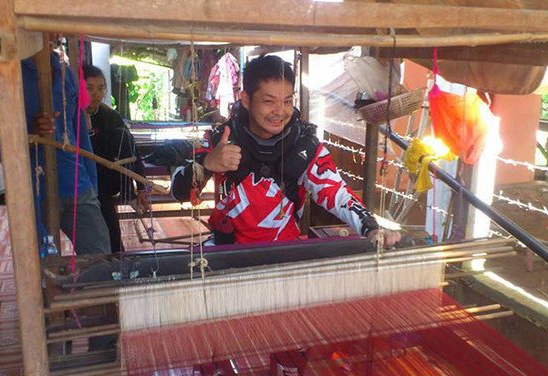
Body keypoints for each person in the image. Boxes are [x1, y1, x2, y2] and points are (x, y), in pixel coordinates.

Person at [171, 54, 400, 248]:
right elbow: (177, 192)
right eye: (269, 101)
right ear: (246, 100)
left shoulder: (306, 146)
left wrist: (370, 227)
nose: (280, 111)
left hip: (285, 253)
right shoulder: (220, 139)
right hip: (226, 250)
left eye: (288, 101)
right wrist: (206, 164)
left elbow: (337, 194)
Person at [0, 48, 111, 256]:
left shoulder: (66, 75)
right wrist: (29, 133)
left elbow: (80, 137)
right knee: (41, 263)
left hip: (77, 185)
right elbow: (1, 145)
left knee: (100, 258)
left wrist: (92, 185)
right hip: (33, 190)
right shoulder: (7, 73)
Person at [82, 64, 149, 253]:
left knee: (122, 134)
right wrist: (87, 130)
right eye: (89, 88)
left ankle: (130, 195)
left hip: (109, 179)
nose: (96, 94)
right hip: (86, 183)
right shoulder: (72, 116)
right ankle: (115, 258)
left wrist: (141, 188)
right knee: (107, 229)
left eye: (100, 88)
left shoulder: (109, 116)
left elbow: (133, 151)